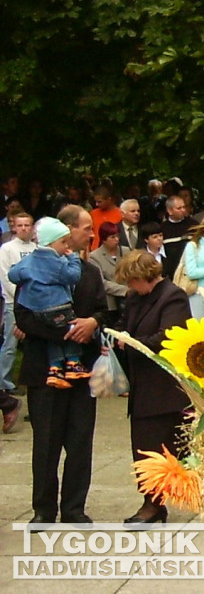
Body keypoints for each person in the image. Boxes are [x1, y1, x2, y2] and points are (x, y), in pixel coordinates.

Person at [16, 204, 106, 524]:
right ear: (66, 232)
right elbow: (24, 316)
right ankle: (43, 509)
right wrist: (64, 331)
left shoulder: (92, 272)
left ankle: (74, 508)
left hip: (82, 370)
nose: (91, 234)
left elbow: (104, 311)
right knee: (46, 442)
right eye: (86, 228)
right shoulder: (34, 269)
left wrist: (92, 323)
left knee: (80, 441)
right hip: (46, 369)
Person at [115, 250, 192, 524]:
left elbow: (169, 337)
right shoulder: (135, 297)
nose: (129, 287)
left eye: (131, 281)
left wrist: (133, 343)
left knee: (160, 447)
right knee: (143, 447)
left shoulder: (172, 296)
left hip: (164, 387)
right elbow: (125, 325)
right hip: (142, 385)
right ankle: (151, 500)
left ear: (144, 276)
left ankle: (154, 504)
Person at [9, 217, 87, 389]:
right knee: (71, 330)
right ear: (51, 244)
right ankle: (73, 362)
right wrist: (73, 259)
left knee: (52, 336)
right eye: (63, 242)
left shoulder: (28, 261)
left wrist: (25, 274)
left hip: (36, 310)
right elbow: (73, 276)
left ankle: (55, 368)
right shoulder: (57, 262)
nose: (67, 246)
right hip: (58, 306)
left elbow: (13, 275)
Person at [0, 211, 36, 392]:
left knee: (32, 345)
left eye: (27, 225)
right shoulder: (6, 249)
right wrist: (20, 300)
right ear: (14, 227)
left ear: (32, 227)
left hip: (35, 305)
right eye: (20, 225)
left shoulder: (36, 249)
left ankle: (30, 379)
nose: (23, 229)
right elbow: (6, 278)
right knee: (10, 345)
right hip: (13, 303)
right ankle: (4, 382)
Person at [89, 221, 130, 325]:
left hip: (129, 302)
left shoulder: (126, 251)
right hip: (110, 304)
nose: (117, 240)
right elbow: (101, 282)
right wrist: (125, 290)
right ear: (103, 239)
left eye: (117, 236)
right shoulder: (94, 256)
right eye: (112, 237)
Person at [160, 194, 195, 276]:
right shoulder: (162, 229)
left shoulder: (193, 225)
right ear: (170, 211)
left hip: (190, 271)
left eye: (184, 207)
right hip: (171, 273)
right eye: (179, 208)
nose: (183, 210)